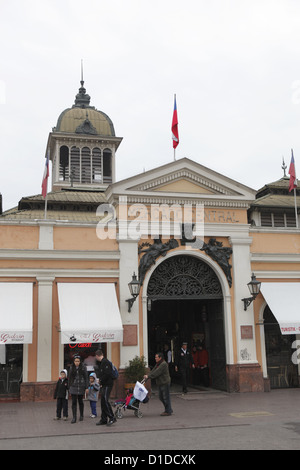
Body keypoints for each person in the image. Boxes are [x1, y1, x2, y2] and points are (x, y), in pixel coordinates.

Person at [144, 352, 173, 416]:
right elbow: (153, 370)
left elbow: (157, 372)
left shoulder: (163, 364)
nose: (155, 358)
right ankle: (169, 409)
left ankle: (168, 411)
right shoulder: (158, 364)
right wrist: (148, 375)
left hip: (165, 382)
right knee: (161, 397)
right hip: (160, 383)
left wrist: (148, 376)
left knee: (165, 397)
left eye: (156, 357)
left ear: (160, 358)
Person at [95, 349, 115, 426]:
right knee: (103, 402)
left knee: (105, 401)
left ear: (97, 356)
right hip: (104, 384)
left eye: (96, 357)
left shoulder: (105, 362)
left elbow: (107, 374)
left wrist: (100, 380)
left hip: (108, 385)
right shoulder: (102, 362)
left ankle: (112, 417)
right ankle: (104, 419)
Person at [68, 355, 89, 424]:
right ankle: (74, 417)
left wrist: (86, 387)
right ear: (73, 362)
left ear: (80, 362)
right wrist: (69, 387)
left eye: (78, 361)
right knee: (74, 402)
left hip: (81, 386)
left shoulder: (83, 367)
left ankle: (81, 415)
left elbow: (86, 377)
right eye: (75, 361)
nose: (77, 362)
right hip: (73, 386)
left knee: (80, 401)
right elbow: (70, 378)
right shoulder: (71, 368)